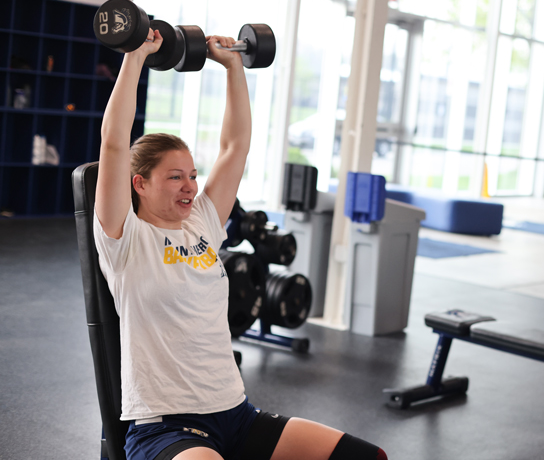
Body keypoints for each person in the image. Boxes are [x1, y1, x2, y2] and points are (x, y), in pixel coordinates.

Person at [93, 27, 388, 460]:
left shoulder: (203, 224)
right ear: (138, 183)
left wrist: (234, 67)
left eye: (192, 175)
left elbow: (235, 147)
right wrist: (134, 58)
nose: (190, 186)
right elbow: (114, 144)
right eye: (175, 177)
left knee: (366, 458)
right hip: (169, 427)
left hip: (237, 414)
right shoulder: (125, 238)